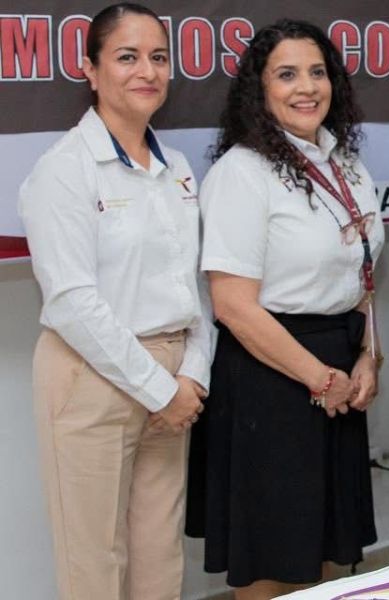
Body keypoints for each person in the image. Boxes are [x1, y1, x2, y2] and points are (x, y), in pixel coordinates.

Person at [18, 3, 213, 598]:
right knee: (94, 565)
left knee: (160, 559)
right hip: (95, 378)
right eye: (126, 57)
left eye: (158, 57)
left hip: (175, 376)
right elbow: (74, 302)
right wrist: (160, 390)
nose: (146, 71)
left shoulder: (177, 167)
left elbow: (194, 287)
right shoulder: (64, 171)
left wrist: (193, 378)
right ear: (90, 69)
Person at [185, 20, 383, 599]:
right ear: (259, 88)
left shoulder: (345, 164)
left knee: (323, 547)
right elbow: (232, 306)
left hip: (340, 368)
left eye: (317, 72)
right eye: (287, 74)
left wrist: (370, 358)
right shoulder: (242, 174)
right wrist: (320, 378)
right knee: (273, 556)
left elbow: (363, 272)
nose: (307, 87)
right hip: (270, 379)